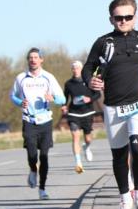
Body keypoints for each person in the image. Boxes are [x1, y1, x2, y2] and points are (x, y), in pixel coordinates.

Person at [84, 0, 138, 209]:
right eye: (119, 17)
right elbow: (88, 68)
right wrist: (90, 81)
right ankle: (125, 199)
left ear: (136, 17)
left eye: (128, 17)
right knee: (120, 155)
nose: (123, 21)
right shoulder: (104, 42)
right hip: (114, 107)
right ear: (111, 19)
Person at [10, 48, 65, 200]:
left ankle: (42, 189)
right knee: (32, 154)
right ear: (28, 60)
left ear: (41, 60)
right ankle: (33, 170)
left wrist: (52, 98)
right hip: (29, 120)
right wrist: (20, 102)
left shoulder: (48, 78)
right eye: (31, 57)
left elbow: (63, 99)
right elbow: (12, 95)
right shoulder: (21, 78)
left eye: (36, 57)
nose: (33, 60)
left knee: (45, 156)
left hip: (45, 121)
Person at [62, 60, 99, 173]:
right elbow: (65, 98)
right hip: (74, 114)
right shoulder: (68, 84)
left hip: (87, 113)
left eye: (77, 68)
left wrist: (90, 99)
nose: (75, 70)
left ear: (81, 69)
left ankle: (86, 147)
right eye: (73, 68)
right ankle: (78, 163)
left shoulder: (89, 81)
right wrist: (63, 106)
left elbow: (98, 94)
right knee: (75, 136)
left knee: (88, 138)